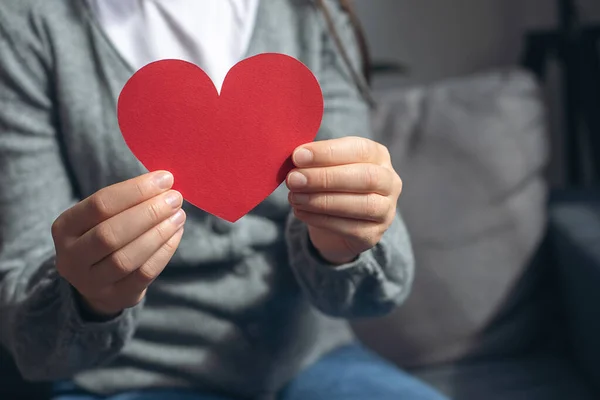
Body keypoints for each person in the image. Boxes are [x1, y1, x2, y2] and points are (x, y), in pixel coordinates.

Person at [0, 0, 448, 399]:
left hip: (310, 357)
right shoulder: (27, 25)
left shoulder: (312, 12)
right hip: (130, 376)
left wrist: (341, 244)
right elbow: (31, 338)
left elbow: (376, 294)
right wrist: (89, 298)